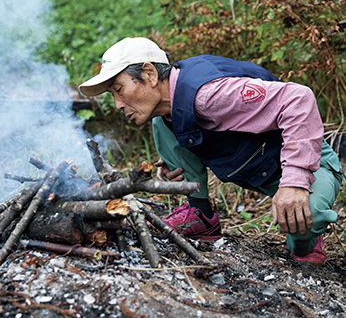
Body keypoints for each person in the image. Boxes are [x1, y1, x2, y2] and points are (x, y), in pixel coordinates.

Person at [78, 37, 343, 266]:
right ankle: (200, 214)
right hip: (257, 164)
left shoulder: (211, 95)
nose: (117, 104)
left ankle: (308, 244)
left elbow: (299, 98)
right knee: (163, 117)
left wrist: (296, 180)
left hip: (308, 161)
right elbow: (190, 121)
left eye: (119, 90)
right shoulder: (171, 99)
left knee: (306, 220)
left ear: (148, 73)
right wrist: (177, 159)